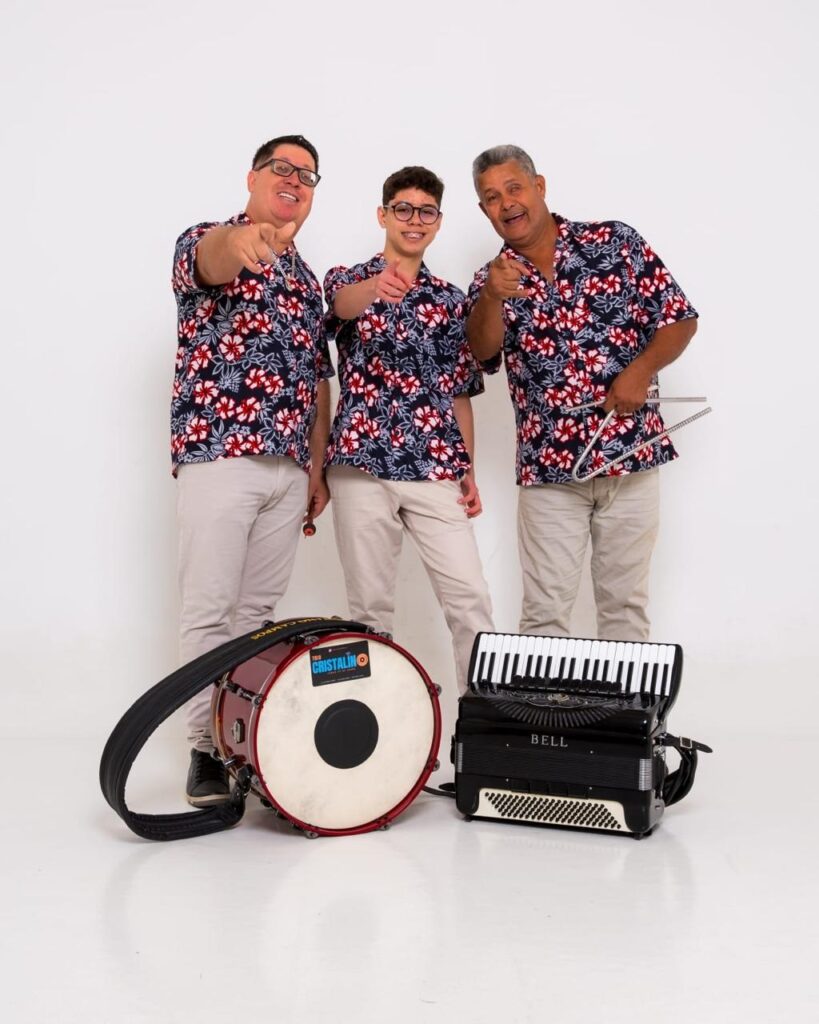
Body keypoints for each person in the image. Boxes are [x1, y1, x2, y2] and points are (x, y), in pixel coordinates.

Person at [465, 145, 698, 642]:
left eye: (514, 188)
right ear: (484, 211)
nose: (506, 203)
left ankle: (629, 720)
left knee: (624, 607)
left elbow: (679, 318)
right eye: (491, 198)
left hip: (630, 455)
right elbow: (481, 355)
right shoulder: (492, 280)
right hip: (550, 472)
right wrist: (490, 295)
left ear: (539, 186)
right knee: (545, 614)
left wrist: (640, 370)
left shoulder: (615, 241)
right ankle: (544, 721)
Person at [171, 134, 332, 805]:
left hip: (288, 469)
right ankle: (202, 752)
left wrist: (317, 470)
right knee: (208, 610)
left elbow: (319, 382)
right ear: (253, 176)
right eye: (281, 168)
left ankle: (242, 741)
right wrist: (241, 243)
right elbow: (212, 260)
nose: (293, 179)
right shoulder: (208, 238)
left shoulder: (307, 280)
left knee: (257, 614)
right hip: (221, 452)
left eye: (307, 173)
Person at [323, 165, 494, 696]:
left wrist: (466, 467)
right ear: (383, 215)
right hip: (361, 463)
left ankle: (480, 728)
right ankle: (376, 736)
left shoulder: (449, 300)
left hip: (434, 464)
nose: (413, 220)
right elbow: (338, 308)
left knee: (470, 599)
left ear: (438, 222)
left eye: (425, 212)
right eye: (403, 209)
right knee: (369, 612)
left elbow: (459, 390)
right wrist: (377, 289)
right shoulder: (348, 281)